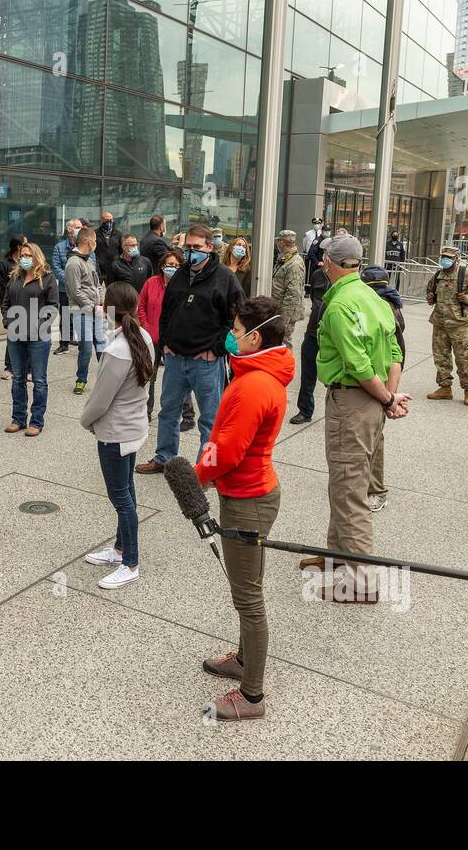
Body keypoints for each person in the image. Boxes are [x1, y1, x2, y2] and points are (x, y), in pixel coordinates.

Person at [196, 296, 294, 721]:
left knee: (249, 597)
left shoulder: (255, 384)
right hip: (247, 495)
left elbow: (230, 451)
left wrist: (195, 475)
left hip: (247, 501)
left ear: (256, 337)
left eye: (237, 331)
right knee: (246, 590)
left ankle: (251, 696)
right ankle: (243, 660)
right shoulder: (256, 372)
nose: (231, 337)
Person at [308, 234, 409, 602]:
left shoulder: (339, 305)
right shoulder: (373, 297)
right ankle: (336, 559)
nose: (320, 265)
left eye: (323, 260)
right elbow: (395, 349)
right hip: (370, 400)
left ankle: (360, 584)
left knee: (350, 490)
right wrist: (389, 397)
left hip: (352, 401)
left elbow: (358, 364)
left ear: (332, 263)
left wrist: (385, 397)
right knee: (345, 482)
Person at [136, 224, 243, 474]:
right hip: (175, 359)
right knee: (168, 413)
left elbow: (237, 319)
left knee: (210, 421)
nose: (192, 251)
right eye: (189, 247)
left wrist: (216, 349)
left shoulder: (225, 278)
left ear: (209, 247)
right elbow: (167, 312)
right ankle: (164, 457)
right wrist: (164, 344)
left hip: (206, 362)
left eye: (197, 247)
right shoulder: (181, 274)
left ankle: (205, 469)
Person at [81, 282, 156, 590]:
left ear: (108, 308)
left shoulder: (117, 348)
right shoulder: (143, 337)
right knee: (126, 491)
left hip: (115, 433)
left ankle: (130, 563)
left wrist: (86, 421)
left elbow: (101, 398)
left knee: (121, 498)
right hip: (132, 428)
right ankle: (120, 550)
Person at [361, 265, 405, 514]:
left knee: (375, 437)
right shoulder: (388, 303)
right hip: (379, 384)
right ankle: (366, 485)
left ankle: (376, 491)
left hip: (380, 384)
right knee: (371, 436)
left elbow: (395, 355)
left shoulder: (384, 308)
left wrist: (388, 399)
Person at [2, 241, 58, 436]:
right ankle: (18, 419)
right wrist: (8, 322)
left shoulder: (47, 278)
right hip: (15, 335)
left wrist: (38, 326)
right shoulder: (15, 277)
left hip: (38, 338)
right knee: (18, 378)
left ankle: (36, 421)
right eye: (22, 255)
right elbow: (6, 302)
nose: (24, 258)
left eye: (28, 255)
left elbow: (52, 307)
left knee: (39, 380)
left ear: (37, 257)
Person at [426, 244, 468, 406]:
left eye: (448, 258)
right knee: (441, 358)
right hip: (439, 323)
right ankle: (445, 388)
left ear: (456, 259)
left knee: (464, 359)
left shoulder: (465, 274)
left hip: (459, 324)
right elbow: (430, 290)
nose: (445, 260)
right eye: (443, 257)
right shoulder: (438, 275)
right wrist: (430, 297)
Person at [138, 248, 186, 420]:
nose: (171, 268)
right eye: (168, 265)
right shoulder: (151, 282)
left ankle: (186, 414)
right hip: (151, 338)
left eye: (175, 265)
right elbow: (141, 305)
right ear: (162, 266)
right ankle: (146, 412)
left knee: (178, 378)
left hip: (174, 340)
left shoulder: (184, 286)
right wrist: (146, 325)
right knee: (149, 376)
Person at [65, 226, 105, 394]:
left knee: (102, 347)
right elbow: (75, 291)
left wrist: (101, 303)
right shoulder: (73, 263)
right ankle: (81, 380)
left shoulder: (90, 260)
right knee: (87, 348)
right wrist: (91, 306)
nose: (96, 243)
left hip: (96, 310)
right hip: (82, 311)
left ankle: (107, 380)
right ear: (88, 241)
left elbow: (97, 284)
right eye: (95, 240)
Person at [289, 263, 329, 425]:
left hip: (332, 334)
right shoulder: (318, 274)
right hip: (313, 331)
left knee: (335, 378)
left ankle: (336, 413)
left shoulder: (346, 279)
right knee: (308, 374)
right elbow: (314, 297)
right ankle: (305, 410)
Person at [50, 218, 90, 355]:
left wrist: (78, 283)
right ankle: (64, 344)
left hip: (82, 290)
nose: (81, 229)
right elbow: (56, 268)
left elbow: (91, 267)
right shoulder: (59, 247)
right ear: (69, 229)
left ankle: (84, 344)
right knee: (66, 316)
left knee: (82, 316)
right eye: (78, 227)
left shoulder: (86, 247)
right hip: (64, 289)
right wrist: (70, 281)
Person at [0, 235, 27, 379]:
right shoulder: (4, 264)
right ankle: (10, 366)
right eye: (26, 244)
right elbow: (1, 286)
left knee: (29, 334)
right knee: (14, 334)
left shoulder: (28, 262)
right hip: (12, 306)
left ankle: (29, 367)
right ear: (19, 247)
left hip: (27, 305)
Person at [271, 230, 305, 347]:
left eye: (278, 241)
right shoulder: (286, 259)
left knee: (283, 343)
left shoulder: (294, 263)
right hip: (280, 310)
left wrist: (284, 319)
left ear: (282, 242)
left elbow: (293, 293)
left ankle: (286, 365)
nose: (277, 244)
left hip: (285, 313)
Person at [93, 210, 123, 283]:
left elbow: (121, 250)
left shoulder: (118, 234)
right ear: (101, 221)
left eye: (111, 220)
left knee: (113, 290)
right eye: (106, 220)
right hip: (99, 268)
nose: (109, 222)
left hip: (113, 268)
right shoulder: (95, 233)